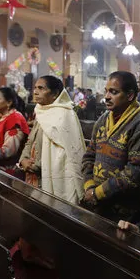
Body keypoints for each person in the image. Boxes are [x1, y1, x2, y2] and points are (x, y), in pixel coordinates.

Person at [82, 71, 140, 221]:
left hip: (127, 210)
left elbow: (135, 171)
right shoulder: (103, 119)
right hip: (98, 202)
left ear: (130, 95)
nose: (106, 97)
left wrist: (97, 193)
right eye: (106, 91)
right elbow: (89, 155)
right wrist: (89, 186)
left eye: (114, 92)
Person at [18, 75, 86, 203]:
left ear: (55, 94)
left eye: (41, 88)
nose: (35, 91)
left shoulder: (64, 114)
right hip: (32, 175)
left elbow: (64, 155)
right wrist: (23, 160)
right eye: (35, 88)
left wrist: (36, 165)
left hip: (53, 176)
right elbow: (30, 141)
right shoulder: (40, 111)